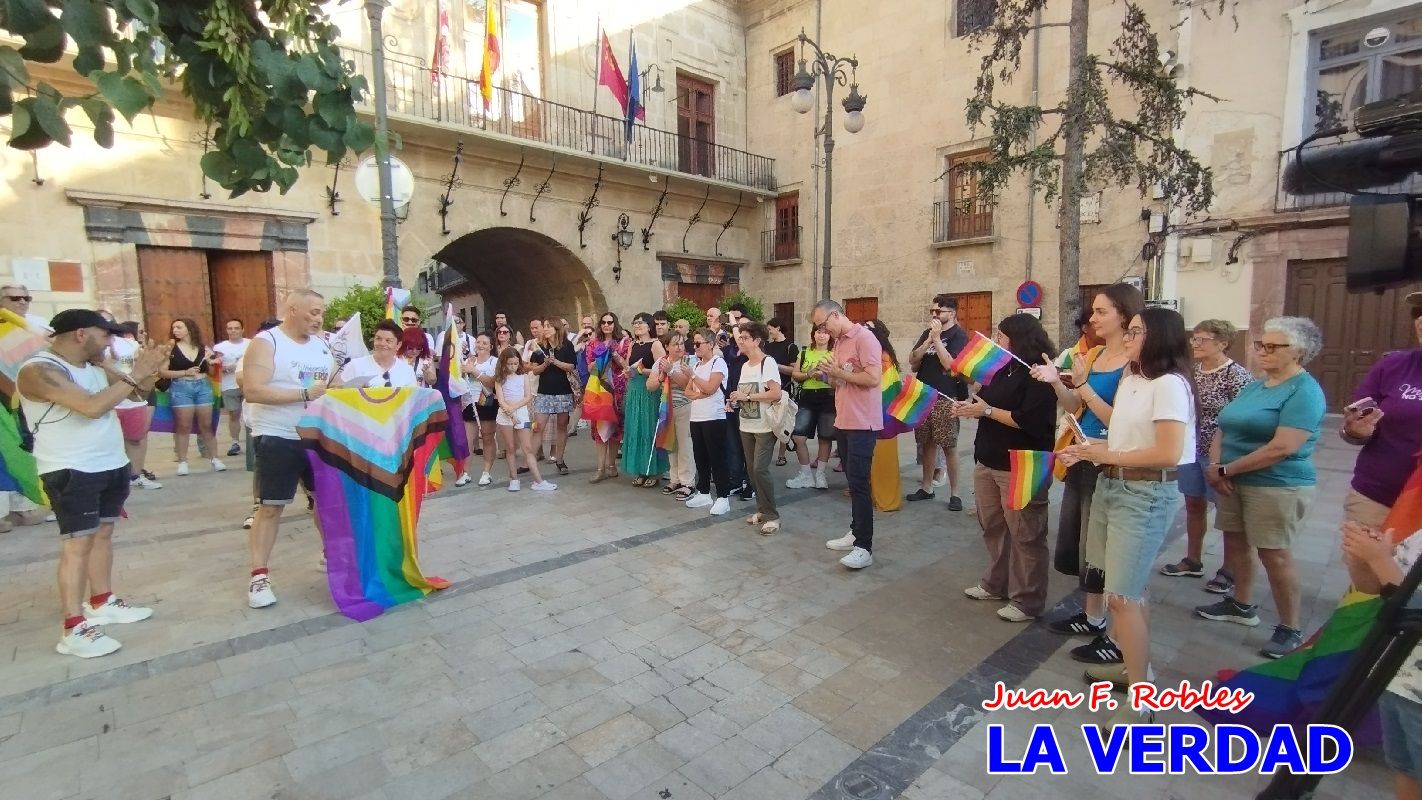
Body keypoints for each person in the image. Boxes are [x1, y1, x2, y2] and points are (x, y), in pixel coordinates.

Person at [1062, 307, 1195, 727]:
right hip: (1112, 485)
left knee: (1122, 598)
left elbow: (1169, 453)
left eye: (1137, 331)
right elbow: (1113, 422)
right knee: (1126, 591)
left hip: (1145, 492)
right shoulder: (1133, 378)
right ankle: (1133, 667)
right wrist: (1087, 448)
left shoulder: (1170, 385)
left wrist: (1108, 454)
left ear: (1159, 338)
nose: (1129, 337)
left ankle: (1143, 705)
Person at [18, 309, 168, 657]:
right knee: (77, 545)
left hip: (110, 463)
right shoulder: (39, 369)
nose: (110, 342)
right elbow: (90, 407)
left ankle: (102, 601)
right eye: (105, 334)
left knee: (103, 534)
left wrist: (147, 370)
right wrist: (134, 375)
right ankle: (72, 628)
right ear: (80, 334)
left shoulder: (97, 365)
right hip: (71, 469)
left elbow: (136, 395)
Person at [1197, 317, 1327, 660]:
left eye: (1273, 346)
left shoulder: (1304, 391)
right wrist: (1215, 467)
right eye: (1260, 345)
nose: (1262, 352)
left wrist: (1226, 468)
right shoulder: (1256, 385)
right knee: (1235, 543)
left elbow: (1282, 447)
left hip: (1276, 484)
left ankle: (1290, 627)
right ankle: (1241, 604)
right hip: (1231, 479)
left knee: (1274, 553)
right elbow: (1225, 425)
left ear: (1298, 351)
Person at [1030, 282, 1144, 665]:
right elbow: (1075, 403)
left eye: (1100, 312)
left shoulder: (1134, 359)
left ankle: (1114, 630)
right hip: (1082, 452)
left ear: (1124, 316)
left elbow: (1124, 418)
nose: (1092, 319)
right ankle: (1092, 615)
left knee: (1108, 547)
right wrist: (1055, 383)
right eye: (1093, 312)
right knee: (1085, 542)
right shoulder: (1093, 354)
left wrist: (1079, 386)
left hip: (1111, 458)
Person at [955, 314, 1058, 622]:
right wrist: (970, 408)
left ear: (1019, 338)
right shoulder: (1003, 367)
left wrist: (985, 410)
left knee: (1026, 533)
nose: (996, 341)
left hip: (1022, 462)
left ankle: (1028, 600)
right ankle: (995, 583)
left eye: (1001, 336)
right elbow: (984, 402)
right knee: (993, 526)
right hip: (989, 457)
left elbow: (1028, 420)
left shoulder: (1037, 374)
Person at [240, 289, 334, 609]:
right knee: (270, 507)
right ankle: (258, 576)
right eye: (313, 312)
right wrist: (305, 393)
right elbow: (253, 390)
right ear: (292, 310)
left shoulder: (322, 345)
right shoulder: (267, 342)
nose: (319, 319)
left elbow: (330, 386)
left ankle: (332, 554)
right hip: (277, 435)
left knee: (326, 500)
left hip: (317, 435)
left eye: (321, 313)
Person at [1159, 320, 1253, 591]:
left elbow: (1244, 417)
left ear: (1222, 343)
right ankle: (1193, 559)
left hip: (1222, 452)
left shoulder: (1236, 376)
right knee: (1193, 505)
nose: (1195, 344)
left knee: (1227, 513)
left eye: (1202, 340)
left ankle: (1229, 569)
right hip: (1192, 448)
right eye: (1194, 339)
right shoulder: (1191, 372)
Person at [1341, 519, 1422, 800]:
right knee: (1404, 766)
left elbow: (1414, 614)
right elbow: (1377, 587)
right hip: (1395, 676)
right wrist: (1362, 559)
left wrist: (1379, 560)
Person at [1340, 291, 1422, 529]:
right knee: (1365, 566)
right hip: (1376, 498)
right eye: (1419, 313)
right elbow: (1357, 424)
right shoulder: (1393, 365)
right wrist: (1356, 431)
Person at [814, 300, 883, 570]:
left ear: (835, 315)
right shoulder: (839, 342)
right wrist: (826, 375)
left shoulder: (865, 338)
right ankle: (855, 531)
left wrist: (839, 372)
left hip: (863, 423)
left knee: (860, 484)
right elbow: (839, 381)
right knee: (853, 483)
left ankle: (864, 546)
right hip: (844, 420)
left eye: (822, 324)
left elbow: (873, 378)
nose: (822, 330)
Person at [908, 294, 970, 509]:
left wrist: (936, 339)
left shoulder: (958, 336)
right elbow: (913, 361)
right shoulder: (928, 333)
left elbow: (951, 365)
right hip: (923, 394)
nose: (934, 315)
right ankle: (927, 487)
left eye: (938, 312)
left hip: (945, 396)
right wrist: (928, 340)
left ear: (951, 314)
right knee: (926, 444)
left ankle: (955, 494)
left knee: (949, 446)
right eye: (932, 311)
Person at [730, 321, 783, 534]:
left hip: (764, 425)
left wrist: (748, 396)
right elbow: (745, 393)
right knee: (751, 470)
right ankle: (762, 510)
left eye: (744, 338)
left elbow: (775, 393)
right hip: (746, 423)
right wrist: (736, 399)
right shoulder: (744, 365)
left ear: (757, 341)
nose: (740, 342)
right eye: (740, 338)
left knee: (760, 469)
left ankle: (772, 515)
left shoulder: (767, 363)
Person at [162, 318, 226, 476]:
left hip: (203, 385)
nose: (175, 330)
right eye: (174, 327)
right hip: (181, 386)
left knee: (206, 425)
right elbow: (162, 371)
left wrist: (213, 361)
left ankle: (215, 458)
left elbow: (210, 372)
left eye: (179, 327)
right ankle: (183, 461)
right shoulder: (171, 348)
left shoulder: (202, 347)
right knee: (183, 425)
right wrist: (185, 372)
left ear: (189, 329)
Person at [108, 322, 162, 492]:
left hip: (133, 402)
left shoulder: (130, 345)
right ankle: (113, 479)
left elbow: (139, 370)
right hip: (109, 401)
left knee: (135, 439)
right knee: (110, 442)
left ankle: (136, 476)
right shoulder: (92, 349)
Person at [494, 346, 556, 492]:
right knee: (510, 448)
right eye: (509, 364)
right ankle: (514, 479)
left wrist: (514, 409)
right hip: (505, 416)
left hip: (521, 414)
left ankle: (538, 481)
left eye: (515, 363)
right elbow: (501, 400)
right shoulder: (499, 379)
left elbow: (528, 397)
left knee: (527, 448)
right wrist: (510, 412)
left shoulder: (523, 377)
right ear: (503, 363)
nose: (513, 367)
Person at [684, 329, 732, 516]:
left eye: (699, 343)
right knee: (700, 456)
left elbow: (712, 387)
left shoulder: (717, 363)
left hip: (714, 416)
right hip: (696, 417)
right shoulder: (696, 366)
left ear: (710, 344)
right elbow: (689, 392)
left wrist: (698, 384)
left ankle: (723, 497)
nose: (695, 347)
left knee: (717, 458)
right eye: (694, 344)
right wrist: (701, 392)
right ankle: (703, 492)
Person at [620, 313, 669, 486]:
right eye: (635, 323)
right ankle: (641, 470)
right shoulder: (633, 344)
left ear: (649, 326)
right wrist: (628, 371)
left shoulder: (655, 344)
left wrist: (641, 370)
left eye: (641, 323)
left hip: (649, 390)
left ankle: (654, 471)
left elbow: (662, 369)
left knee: (648, 429)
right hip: (634, 390)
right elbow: (629, 365)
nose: (638, 325)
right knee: (636, 429)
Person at [787, 324, 836, 490]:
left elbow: (838, 376)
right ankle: (806, 474)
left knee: (825, 436)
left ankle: (821, 474)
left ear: (830, 336)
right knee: (798, 436)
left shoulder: (835, 353)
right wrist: (809, 373)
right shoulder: (805, 352)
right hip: (807, 396)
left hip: (828, 396)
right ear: (813, 334)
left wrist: (824, 375)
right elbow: (795, 374)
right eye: (818, 332)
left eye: (825, 332)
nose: (821, 335)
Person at [586, 312, 631, 483]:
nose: (606, 325)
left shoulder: (624, 343)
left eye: (610, 322)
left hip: (617, 390)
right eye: (603, 322)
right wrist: (599, 358)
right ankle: (600, 468)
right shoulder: (593, 343)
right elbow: (589, 367)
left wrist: (615, 354)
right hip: (599, 390)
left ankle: (612, 465)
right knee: (599, 429)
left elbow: (627, 366)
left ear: (615, 324)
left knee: (615, 429)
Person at [651, 332, 696, 500]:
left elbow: (687, 384)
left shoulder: (689, 361)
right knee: (671, 444)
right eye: (675, 344)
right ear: (667, 347)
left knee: (685, 445)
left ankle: (688, 482)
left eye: (682, 343)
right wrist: (661, 377)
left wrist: (670, 372)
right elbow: (650, 385)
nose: (679, 347)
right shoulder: (661, 362)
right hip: (666, 409)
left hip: (685, 407)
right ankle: (675, 479)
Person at [865, 320, 903, 514]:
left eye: (868, 329)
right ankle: (876, 495)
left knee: (883, 460)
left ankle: (887, 500)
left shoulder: (883, 357)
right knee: (875, 459)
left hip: (884, 416)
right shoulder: (878, 355)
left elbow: (881, 388)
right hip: (877, 415)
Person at [531, 318, 576, 476]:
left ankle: (560, 459)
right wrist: (544, 364)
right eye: (544, 326)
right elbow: (534, 370)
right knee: (537, 428)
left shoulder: (567, 345)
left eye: (549, 326)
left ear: (557, 328)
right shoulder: (539, 347)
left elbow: (571, 366)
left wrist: (555, 362)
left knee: (562, 426)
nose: (545, 328)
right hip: (544, 393)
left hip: (563, 392)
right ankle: (529, 460)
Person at [337, 320, 418, 387]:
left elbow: (412, 402)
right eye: (378, 339)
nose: (382, 344)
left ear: (398, 345)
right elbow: (340, 396)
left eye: (388, 340)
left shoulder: (407, 371)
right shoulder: (355, 366)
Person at [464, 333, 499, 486]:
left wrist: (474, 371)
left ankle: (486, 472)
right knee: (468, 440)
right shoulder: (468, 361)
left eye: (485, 343)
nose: (481, 345)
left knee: (487, 438)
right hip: (469, 403)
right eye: (478, 342)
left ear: (491, 346)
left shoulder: (495, 362)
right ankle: (465, 472)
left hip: (487, 402)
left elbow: (492, 382)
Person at [763, 318, 799, 467]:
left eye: (771, 328)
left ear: (778, 328)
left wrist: (775, 366)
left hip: (784, 388)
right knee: (769, 421)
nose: (769, 331)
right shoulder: (767, 346)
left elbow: (793, 370)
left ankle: (782, 455)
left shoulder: (791, 347)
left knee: (782, 421)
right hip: (767, 388)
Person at [212, 318, 250, 458]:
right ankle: (235, 442)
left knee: (251, 413)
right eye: (230, 328)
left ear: (242, 329)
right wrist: (224, 368)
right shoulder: (220, 347)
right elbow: (214, 368)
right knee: (234, 414)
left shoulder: (250, 344)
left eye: (236, 328)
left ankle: (252, 441)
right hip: (229, 385)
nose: (233, 331)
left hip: (248, 383)